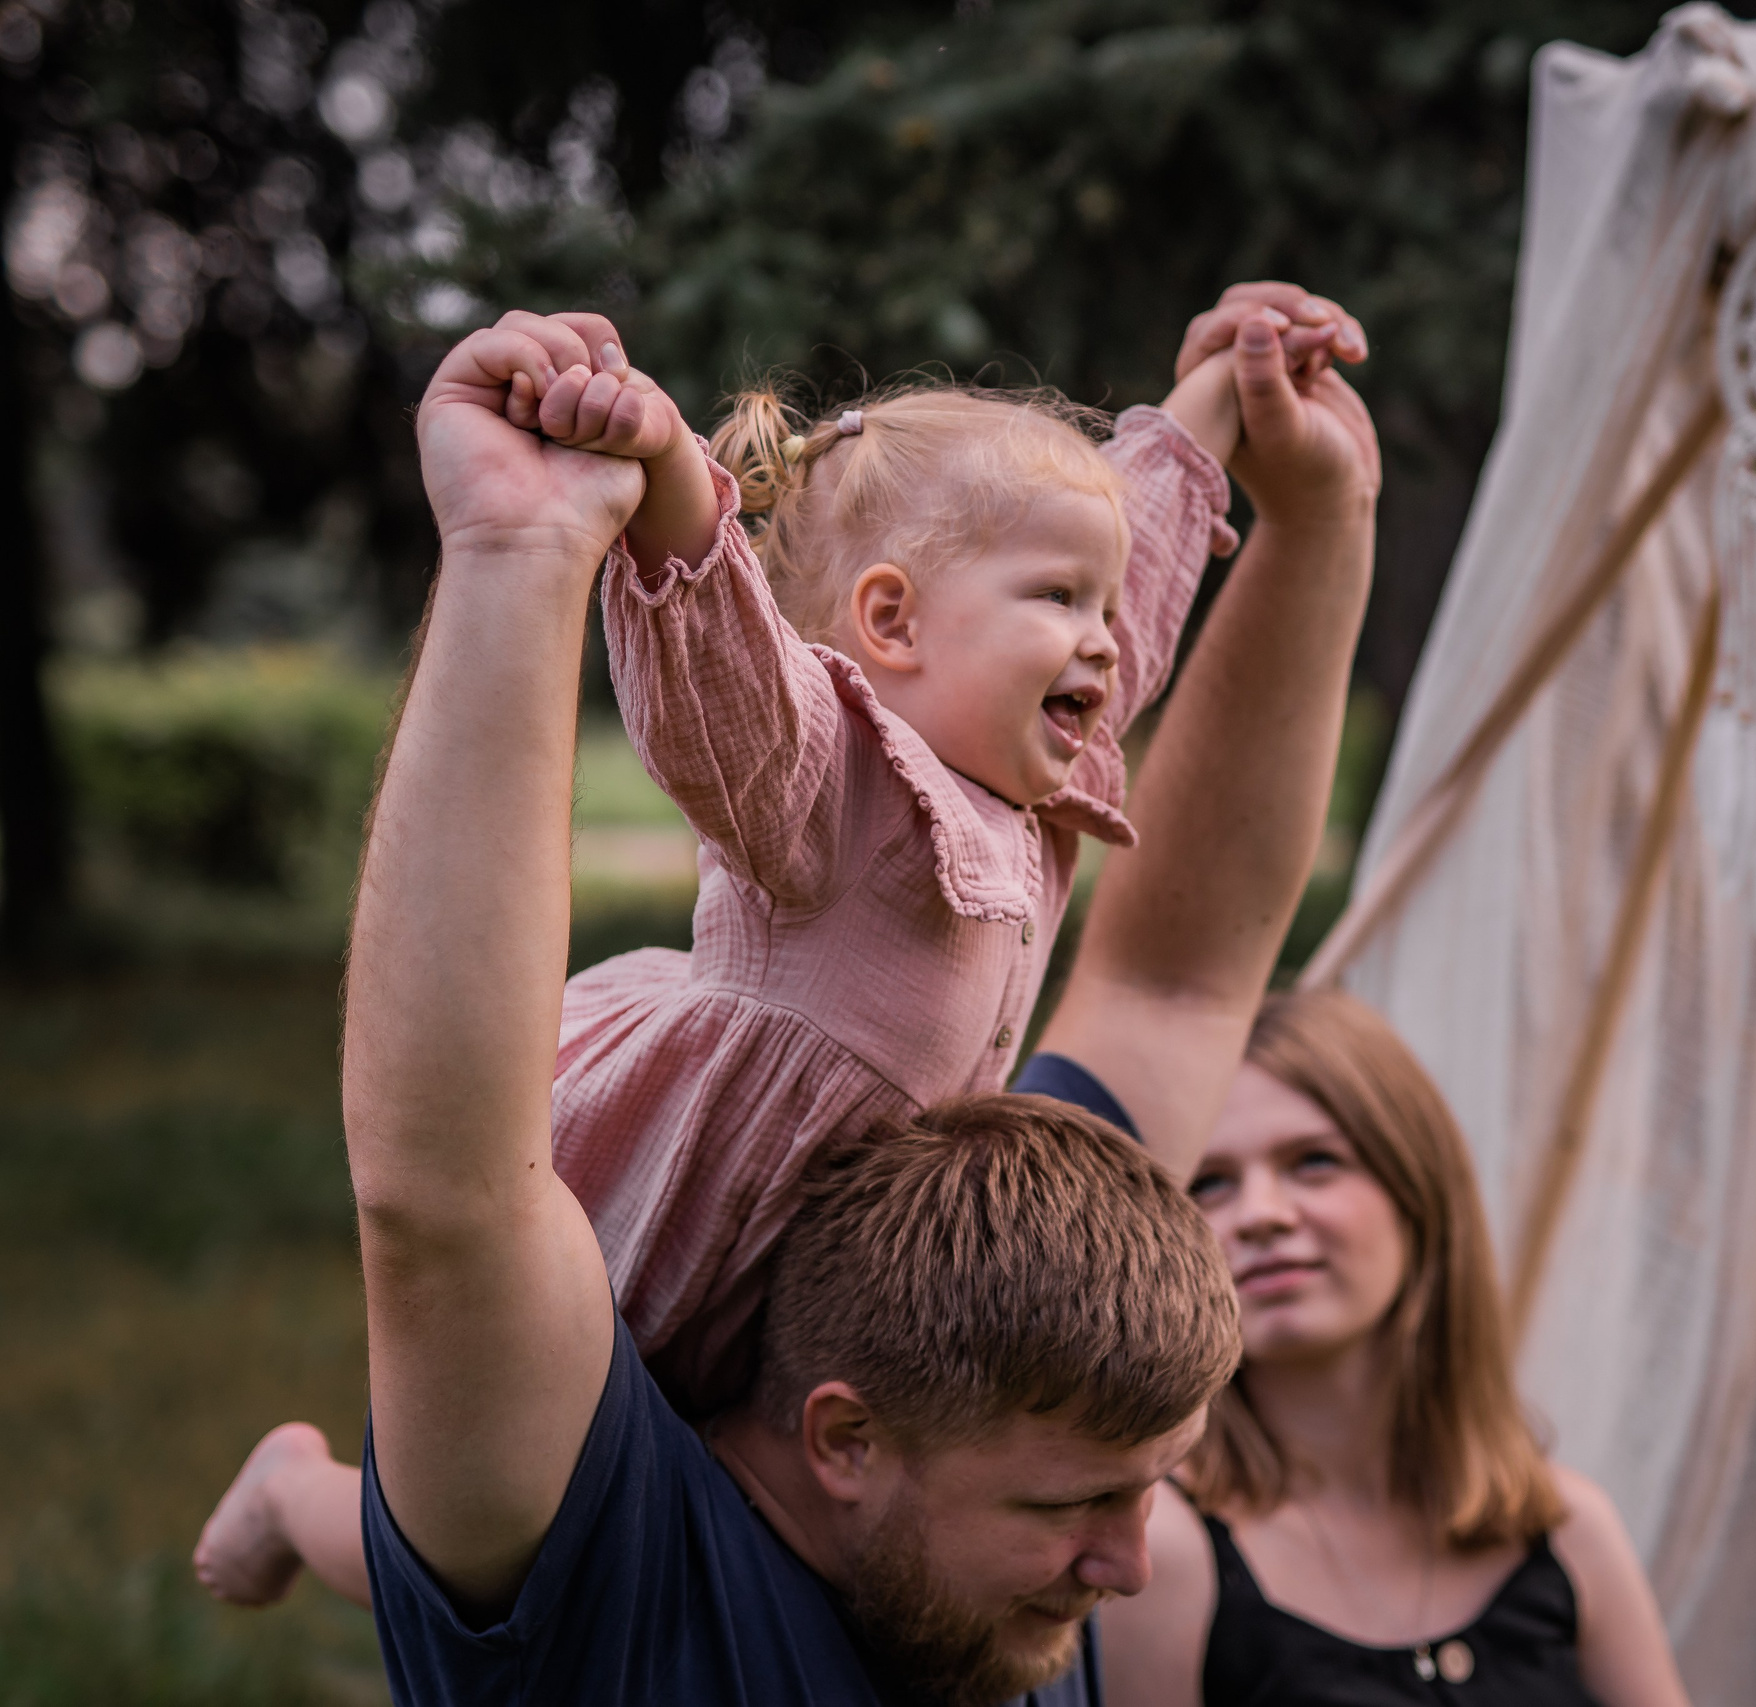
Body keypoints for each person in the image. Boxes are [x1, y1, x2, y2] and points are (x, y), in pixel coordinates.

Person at [193, 277, 1379, 1707]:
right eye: (1070, 1504)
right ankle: (311, 1492)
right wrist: (524, 551)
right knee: (435, 1473)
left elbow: (1185, 980)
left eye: (1146, 1487)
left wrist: (1309, 507)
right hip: (636, 1280)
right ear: (846, 1440)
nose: (1135, 1558)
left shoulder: (992, 1258)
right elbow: (449, 1192)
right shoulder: (636, 1584)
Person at [1099, 989, 1690, 1707]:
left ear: (1417, 1190)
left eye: (1314, 1161)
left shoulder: (1570, 1529)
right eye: (1211, 1182)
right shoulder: (1156, 1550)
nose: (1260, 1214)